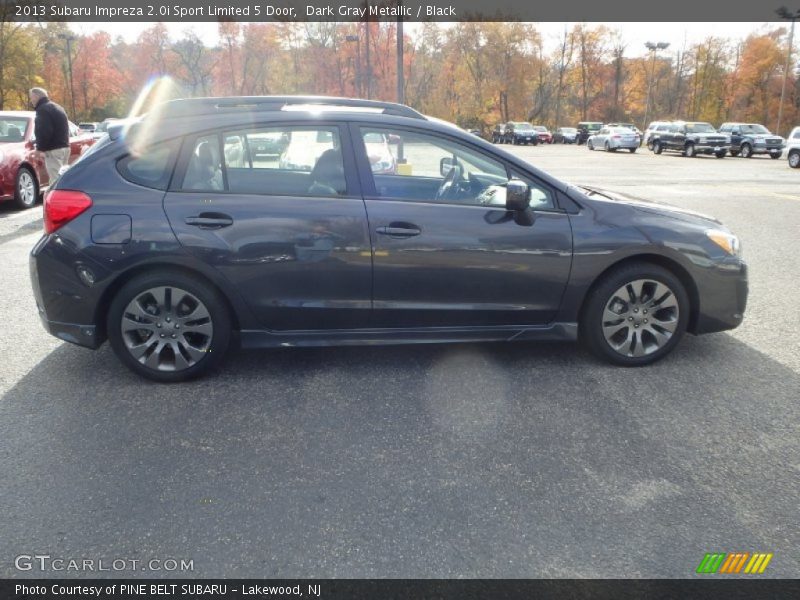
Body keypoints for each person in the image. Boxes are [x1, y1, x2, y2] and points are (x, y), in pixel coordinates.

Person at [29, 87, 70, 185]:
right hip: (65, 147)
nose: (31, 101)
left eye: (31, 97)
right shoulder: (58, 107)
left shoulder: (43, 110)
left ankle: (58, 200)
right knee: (63, 178)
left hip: (53, 150)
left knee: (55, 181)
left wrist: (40, 149)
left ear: (36, 96)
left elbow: (44, 131)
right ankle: (65, 198)